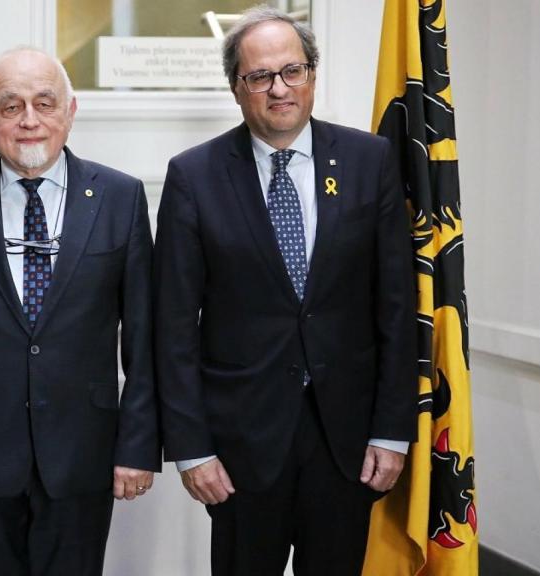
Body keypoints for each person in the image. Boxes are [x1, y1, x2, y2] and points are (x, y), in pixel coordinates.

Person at [154, 6, 417, 575]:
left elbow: (396, 308)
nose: (279, 88)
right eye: (259, 76)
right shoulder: (193, 176)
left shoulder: (370, 160)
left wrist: (393, 432)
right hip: (240, 447)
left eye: (292, 71)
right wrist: (192, 448)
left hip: (347, 442)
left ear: (312, 76)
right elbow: (172, 325)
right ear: (236, 88)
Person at [0, 47, 160, 576]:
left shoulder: (120, 197)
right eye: (10, 108)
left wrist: (140, 445)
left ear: (71, 111)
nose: (30, 121)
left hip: (85, 451)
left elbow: (144, 338)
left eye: (44, 103)